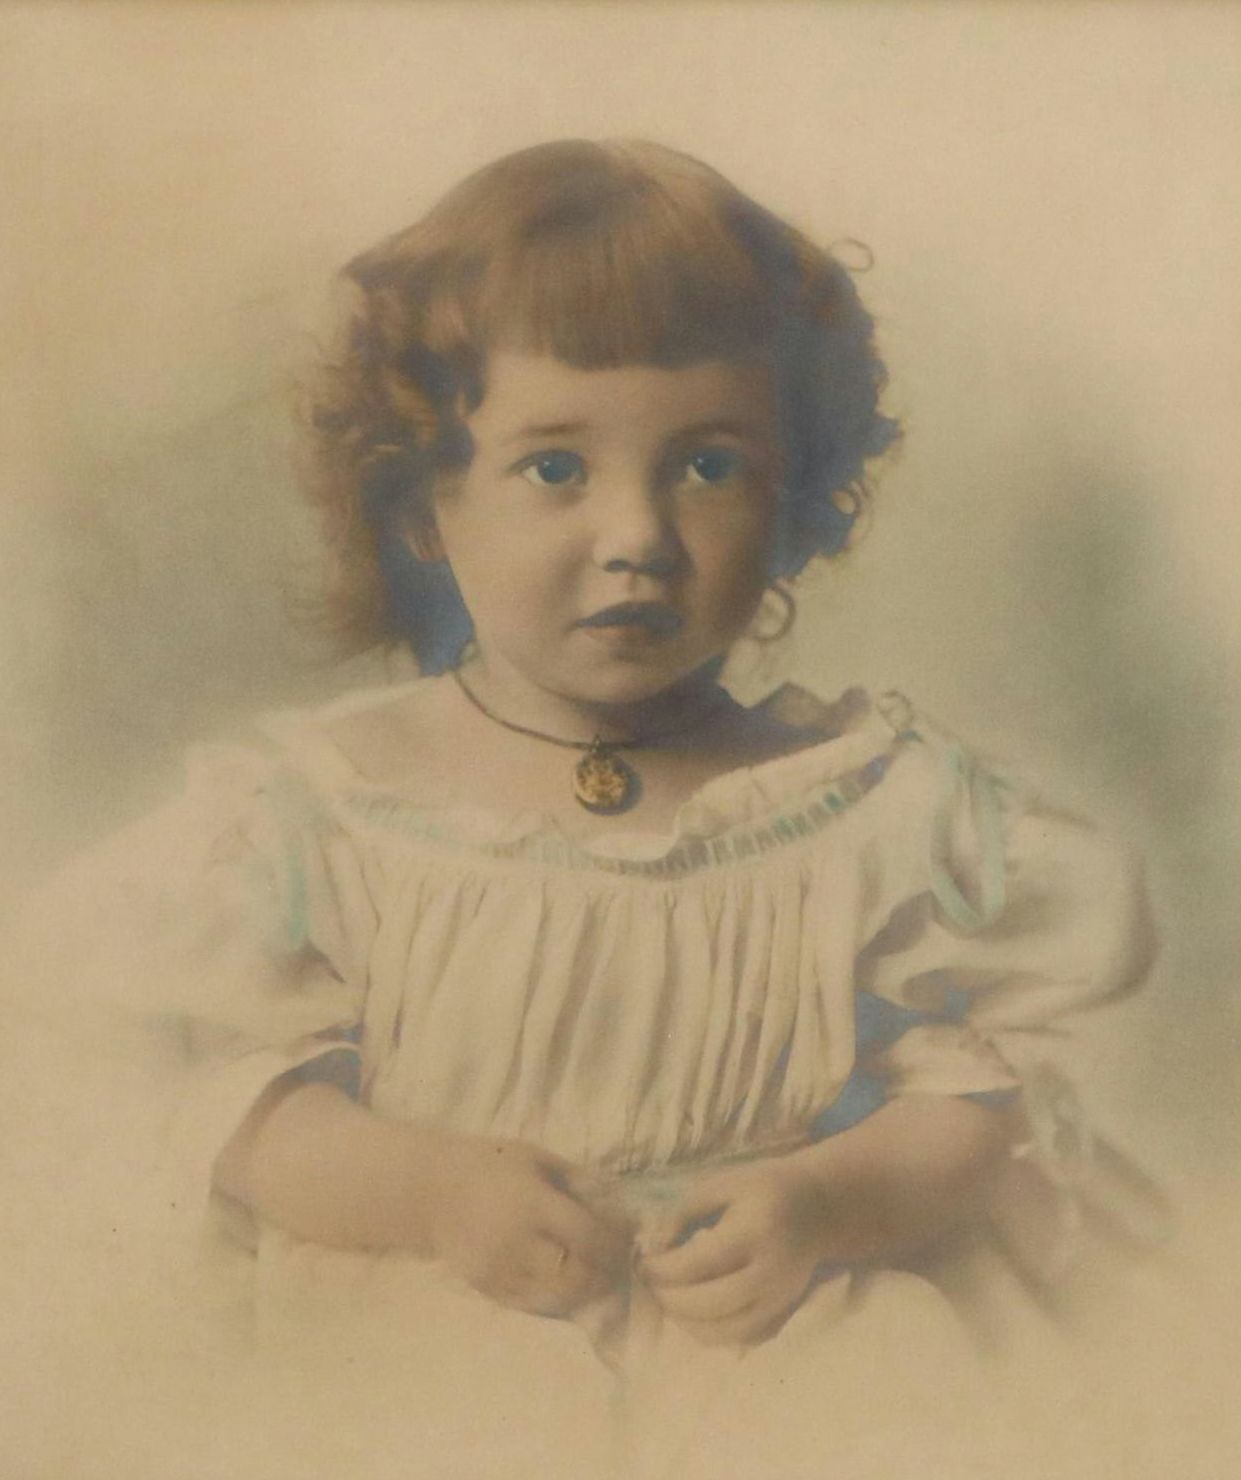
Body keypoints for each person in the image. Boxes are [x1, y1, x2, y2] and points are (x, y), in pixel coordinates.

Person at [16, 140, 1163, 1480]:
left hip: (782, 1353)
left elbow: (977, 1100)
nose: (639, 533)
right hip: (423, 1345)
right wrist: (430, 1194)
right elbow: (221, 1107)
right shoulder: (316, 814)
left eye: (708, 466)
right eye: (556, 468)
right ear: (429, 505)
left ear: (792, 496)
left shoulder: (859, 808)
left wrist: (824, 1199)